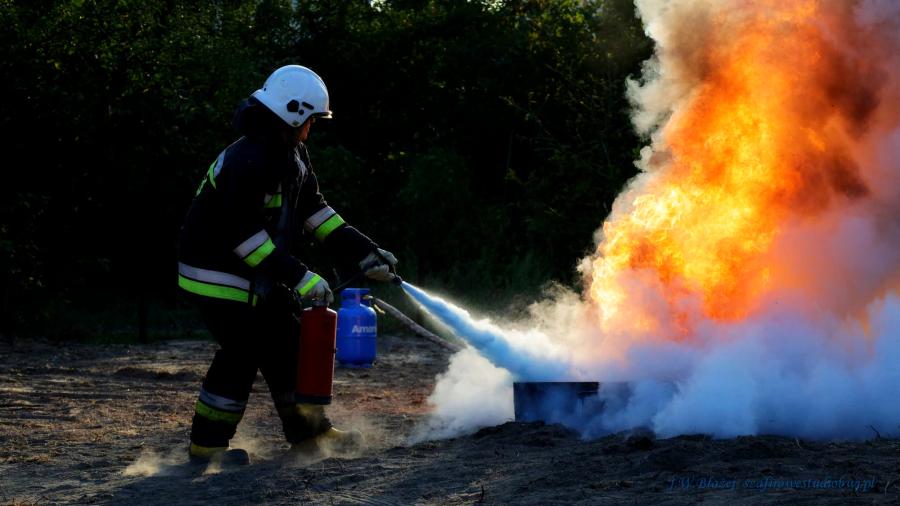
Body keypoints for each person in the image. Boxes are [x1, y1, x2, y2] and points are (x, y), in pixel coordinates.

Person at [176, 64, 398, 464]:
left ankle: (310, 433)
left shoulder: (291, 153)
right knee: (242, 349)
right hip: (214, 272)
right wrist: (300, 276)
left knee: (288, 342)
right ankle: (207, 448)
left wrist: (366, 251)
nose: (313, 128)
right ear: (294, 114)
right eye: (312, 120)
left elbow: (315, 211)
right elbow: (244, 239)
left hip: (254, 272)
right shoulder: (249, 159)